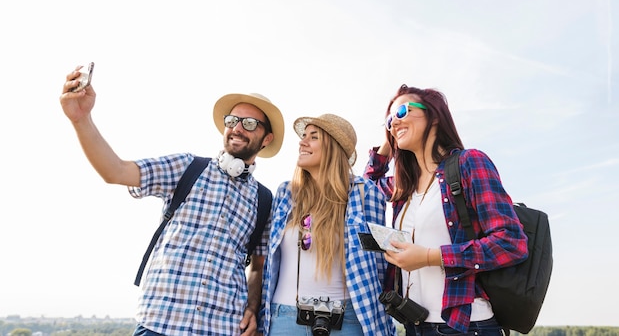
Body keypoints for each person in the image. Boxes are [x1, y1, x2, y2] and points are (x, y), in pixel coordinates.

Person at [59, 65, 285, 336]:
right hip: (160, 323)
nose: (237, 128)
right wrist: (81, 120)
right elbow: (115, 171)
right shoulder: (186, 167)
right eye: (231, 121)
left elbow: (258, 267)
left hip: (223, 328)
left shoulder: (264, 199)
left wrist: (251, 308)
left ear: (266, 139)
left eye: (249, 124)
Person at [363, 84, 528, 336]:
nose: (394, 123)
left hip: (465, 326)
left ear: (435, 115)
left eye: (403, 111)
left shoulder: (469, 163)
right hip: (415, 326)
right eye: (388, 120)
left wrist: (429, 257)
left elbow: (511, 243)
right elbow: (367, 188)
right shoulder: (404, 185)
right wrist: (389, 142)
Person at [259, 114, 396, 336]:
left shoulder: (363, 194)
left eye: (313, 137)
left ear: (334, 147)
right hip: (283, 319)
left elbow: (379, 266)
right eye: (304, 136)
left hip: (347, 321)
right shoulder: (286, 193)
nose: (302, 142)